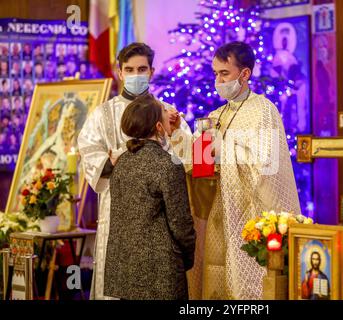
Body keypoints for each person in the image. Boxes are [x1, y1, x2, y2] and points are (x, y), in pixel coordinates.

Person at [170, 41, 301, 299]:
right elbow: (196, 162)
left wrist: (225, 148)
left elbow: (266, 165)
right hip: (218, 212)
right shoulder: (216, 115)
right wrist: (177, 133)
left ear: (245, 74)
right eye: (216, 73)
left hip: (246, 215)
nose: (218, 80)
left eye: (224, 74)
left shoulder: (263, 111)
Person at [78, 42, 191, 300]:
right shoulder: (102, 114)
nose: (136, 74)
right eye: (129, 69)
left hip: (157, 218)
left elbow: (184, 160)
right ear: (120, 72)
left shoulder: (167, 112)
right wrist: (115, 162)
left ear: (151, 71)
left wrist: (174, 135)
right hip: (117, 209)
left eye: (142, 69)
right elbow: (88, 151)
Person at [104, 94, 196, 300]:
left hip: (124, 270)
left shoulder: (122, 163)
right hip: (160, 271)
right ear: (158, 127)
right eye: (164, 112)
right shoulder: (168, 164)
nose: (171, 114)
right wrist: (187, 258)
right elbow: (181, 223)